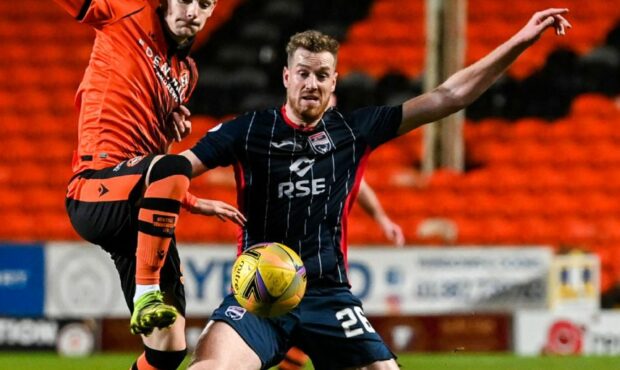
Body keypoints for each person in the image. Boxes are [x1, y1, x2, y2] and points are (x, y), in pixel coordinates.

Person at [182, 9, 571, 370]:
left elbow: (449, 96)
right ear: (286, 76)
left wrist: (521, 39)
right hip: (259, 291)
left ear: (334, 81)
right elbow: (179, 168)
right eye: (303, 73)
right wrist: (187, 197)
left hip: (327, 295)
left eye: (322, 76)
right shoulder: (247, 130)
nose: (311, 84)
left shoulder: (354, 130)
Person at [55, 0, 245, 369]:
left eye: (203, 4)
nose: (191, 10)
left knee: (168, 348)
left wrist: (189, 198)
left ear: (212, 12)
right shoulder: (127, 10)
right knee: (175, 166)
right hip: (95, 187)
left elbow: (158, 161)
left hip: (136, 207)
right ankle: (146, 292)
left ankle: (149, 303)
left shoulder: (187, 74)